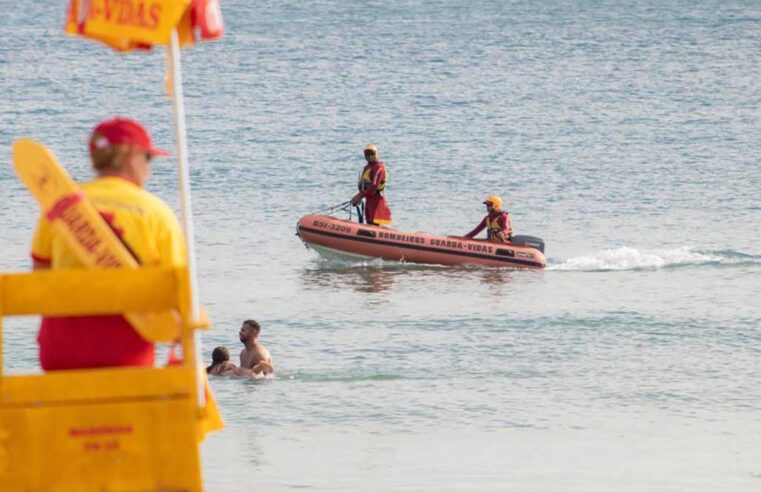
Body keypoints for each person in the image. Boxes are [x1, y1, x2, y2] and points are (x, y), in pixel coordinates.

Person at [30, 117, 186, 370]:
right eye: (148, 158)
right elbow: (176, 293)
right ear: (131, 157)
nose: (148, 167)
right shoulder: (157, 214)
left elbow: (39, 281)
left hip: (61, 354)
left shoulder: (59, 209)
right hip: (126, 357)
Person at [350, 144, 392, 226]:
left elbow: (374, 186)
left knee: (375, 224)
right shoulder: (366, 168)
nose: (369, 156)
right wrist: (358, 196)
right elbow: (363, 187)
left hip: (376, 200)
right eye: (367, 154)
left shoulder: (379, 168)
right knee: (369, 223)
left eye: (371, 154)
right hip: (368, 200)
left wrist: (360, 196)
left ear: (376, 154)